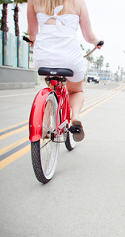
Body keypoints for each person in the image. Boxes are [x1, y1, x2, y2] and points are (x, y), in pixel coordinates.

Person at [27, 0, 102, 142]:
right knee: (76, 91)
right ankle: (75, 116)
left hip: (44, 57)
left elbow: (32, 32)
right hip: (70, 57)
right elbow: (88, 35)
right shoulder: (77, 2)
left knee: (51, 82)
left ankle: (46, 119)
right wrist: (96, 42)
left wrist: (32, 40)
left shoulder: (34, 1)